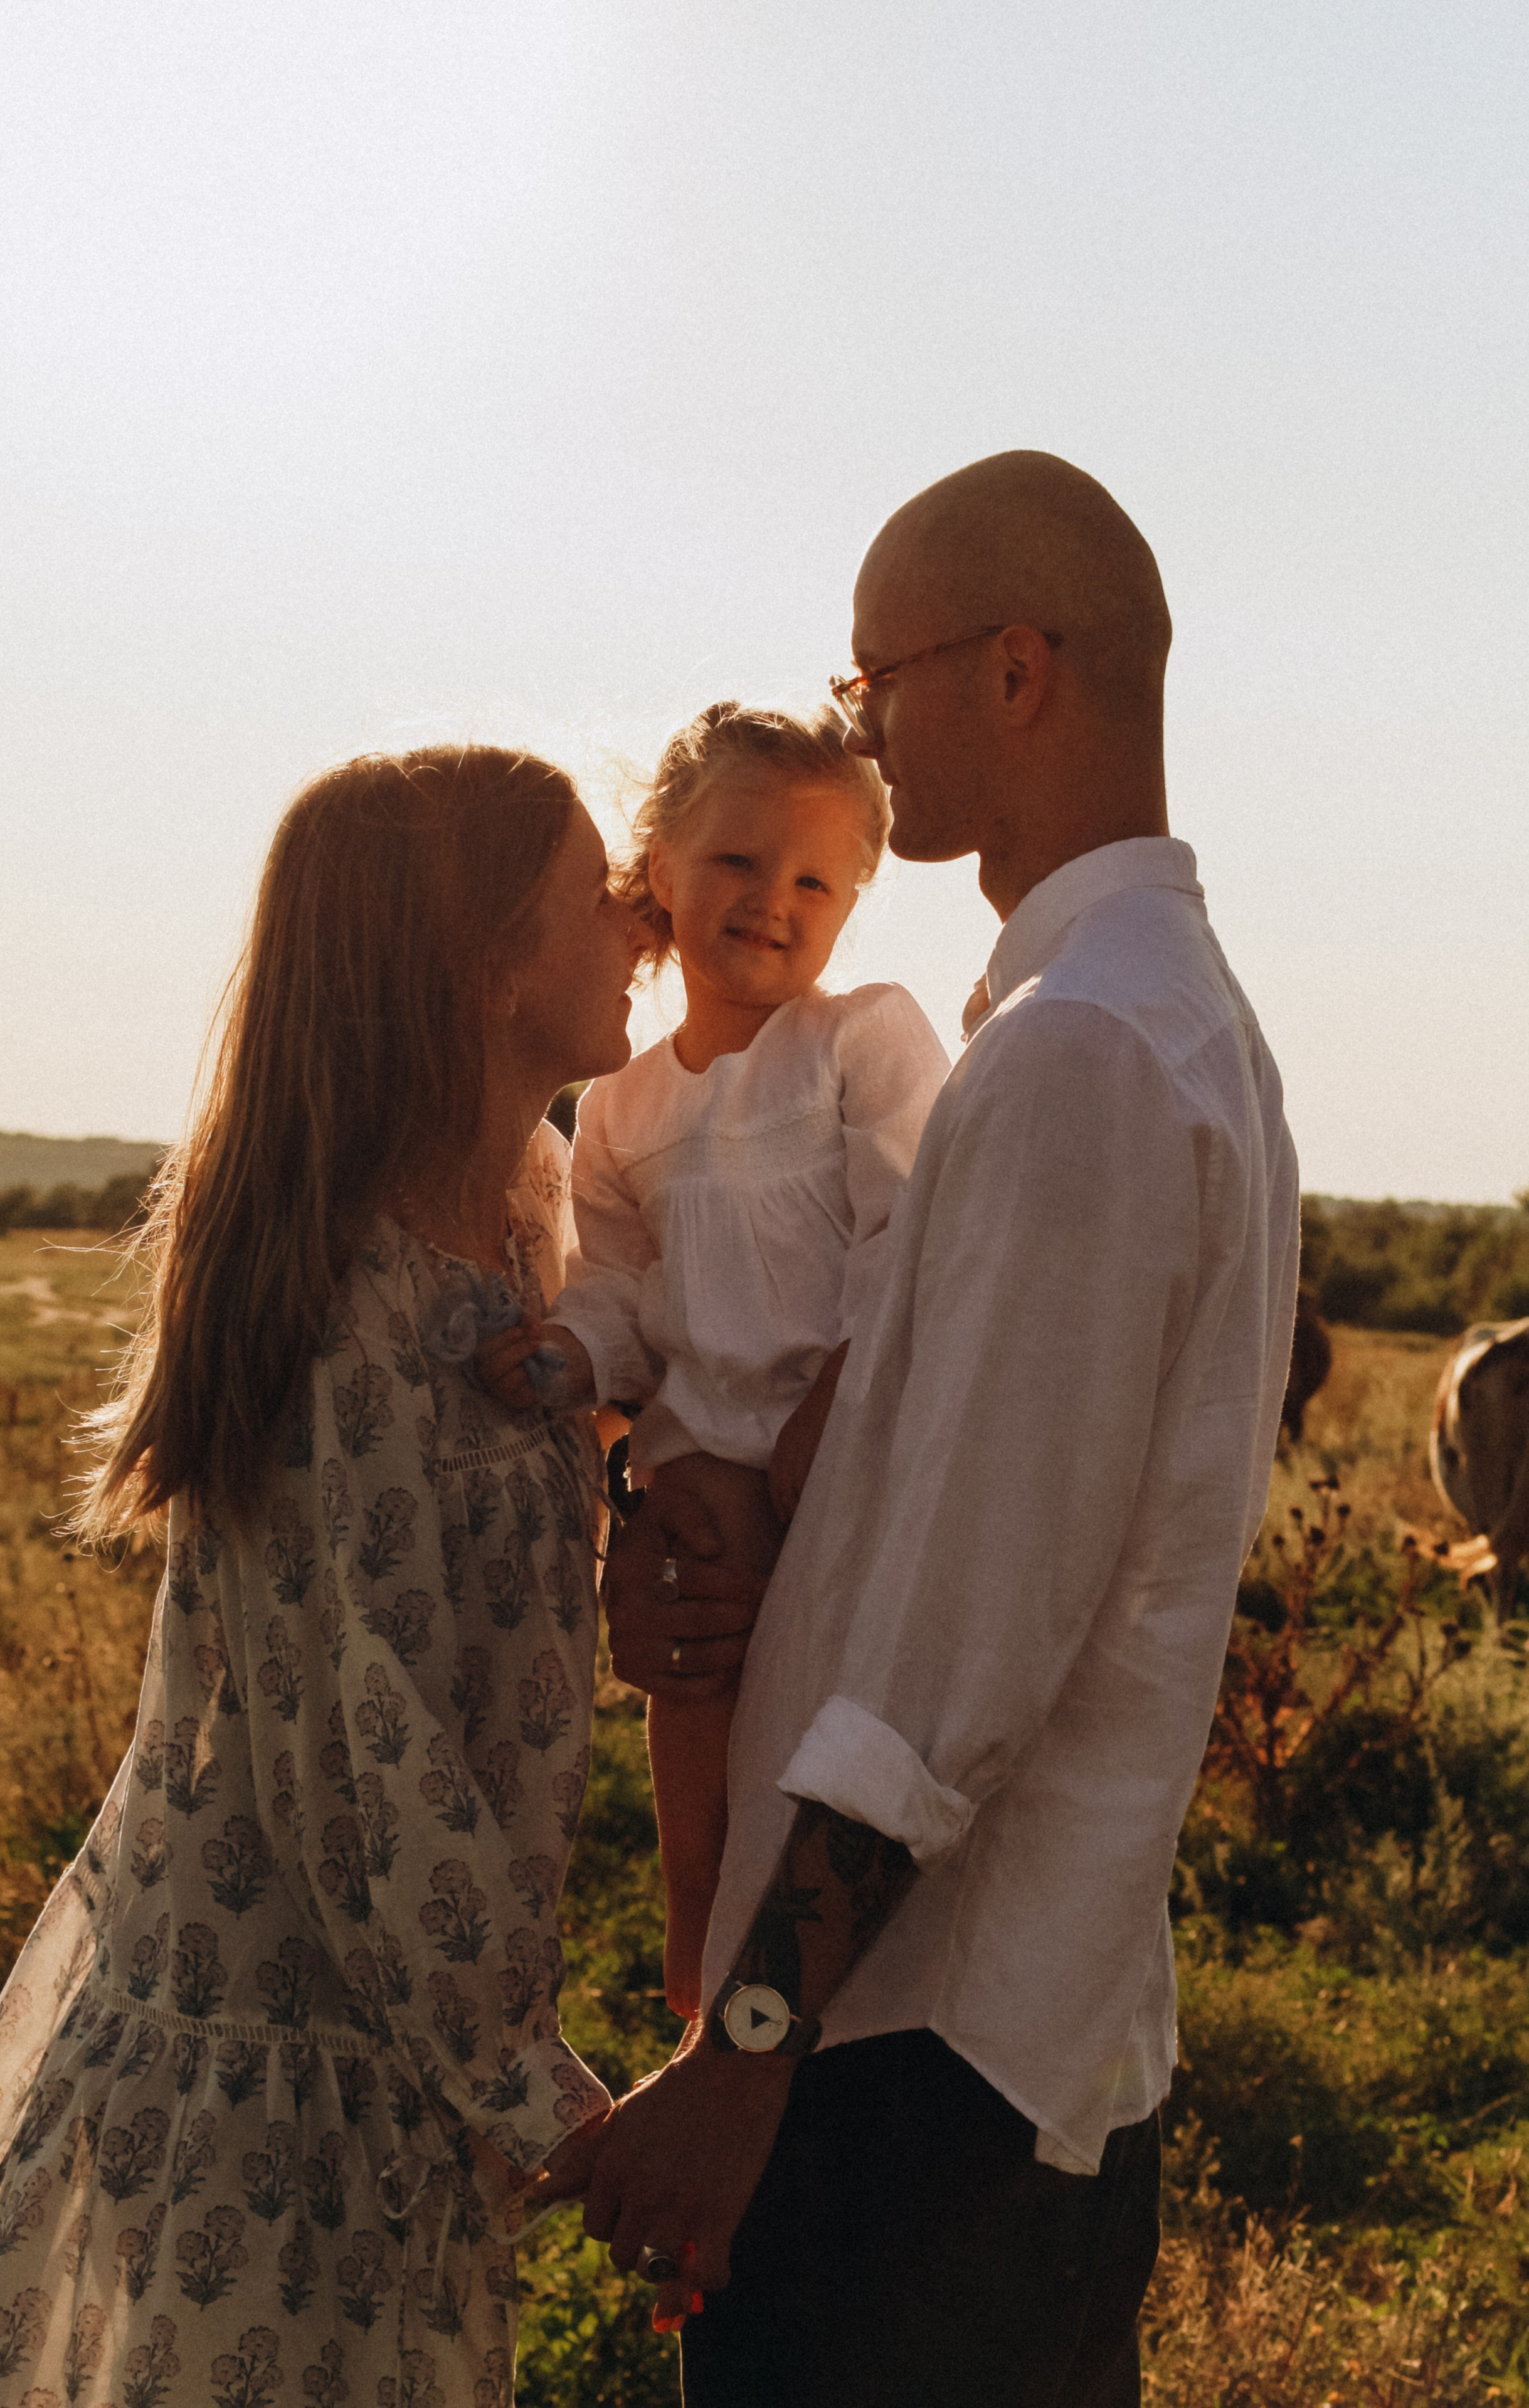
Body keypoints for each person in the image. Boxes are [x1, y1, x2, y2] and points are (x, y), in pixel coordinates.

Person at [554, 452, 1301, 2404]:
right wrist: (690, 1506)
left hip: (924, 2086)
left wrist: (740, 2062)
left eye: (878, 674)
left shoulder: (1075, 1059)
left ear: (1017, 672)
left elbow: (969, 1650)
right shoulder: (1153, 1018)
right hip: (985, 2052)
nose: (864, 724)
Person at [0, 746, 643, 2408]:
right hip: (289, 2080)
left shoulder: (532, 1213)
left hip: (390, 2071)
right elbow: (366, 1778)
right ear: (485, 963)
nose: (645, 921)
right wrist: (548, 2107)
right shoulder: (351, 1316)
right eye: (598, 892)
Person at [478, 702, 947, 2016]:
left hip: (841, 1454)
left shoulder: (861, 1040)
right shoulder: (622, 1107)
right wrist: (571, 1355)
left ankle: (813, 2037)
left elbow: (912, 1241)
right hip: (697, 1470)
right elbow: (624, 1288)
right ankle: (696, 2015)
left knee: (821, 1777)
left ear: (855, 900)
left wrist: (829, 1424)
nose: (772, 902)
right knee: (697, 1782)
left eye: (816, 880)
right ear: (659, 868)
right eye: (736, 862)